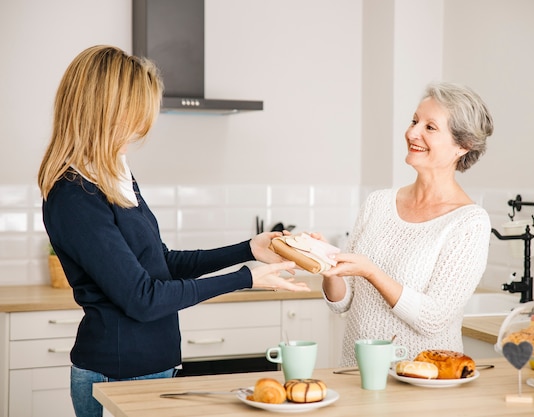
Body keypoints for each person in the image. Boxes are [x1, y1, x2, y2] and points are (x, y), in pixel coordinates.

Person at [37, 45, 309, 417]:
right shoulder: (74, 195)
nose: (139, 128)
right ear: (104, 111)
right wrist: (245, 279)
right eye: (134, 116)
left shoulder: (114, 174)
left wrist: (249, 249)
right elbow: (143, 298)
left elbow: (161, 263)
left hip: (155, 367)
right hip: (118, 375)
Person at [321, 81, 494, 366]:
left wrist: (372, 272)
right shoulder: (379, 203)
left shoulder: (469, 222)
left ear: (463, 146)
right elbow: (342, 302)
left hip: (424, 381)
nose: (412, 132)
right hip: (357, 374)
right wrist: (327, 267)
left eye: (430, 127)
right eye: (414, 121)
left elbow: (432, 319)